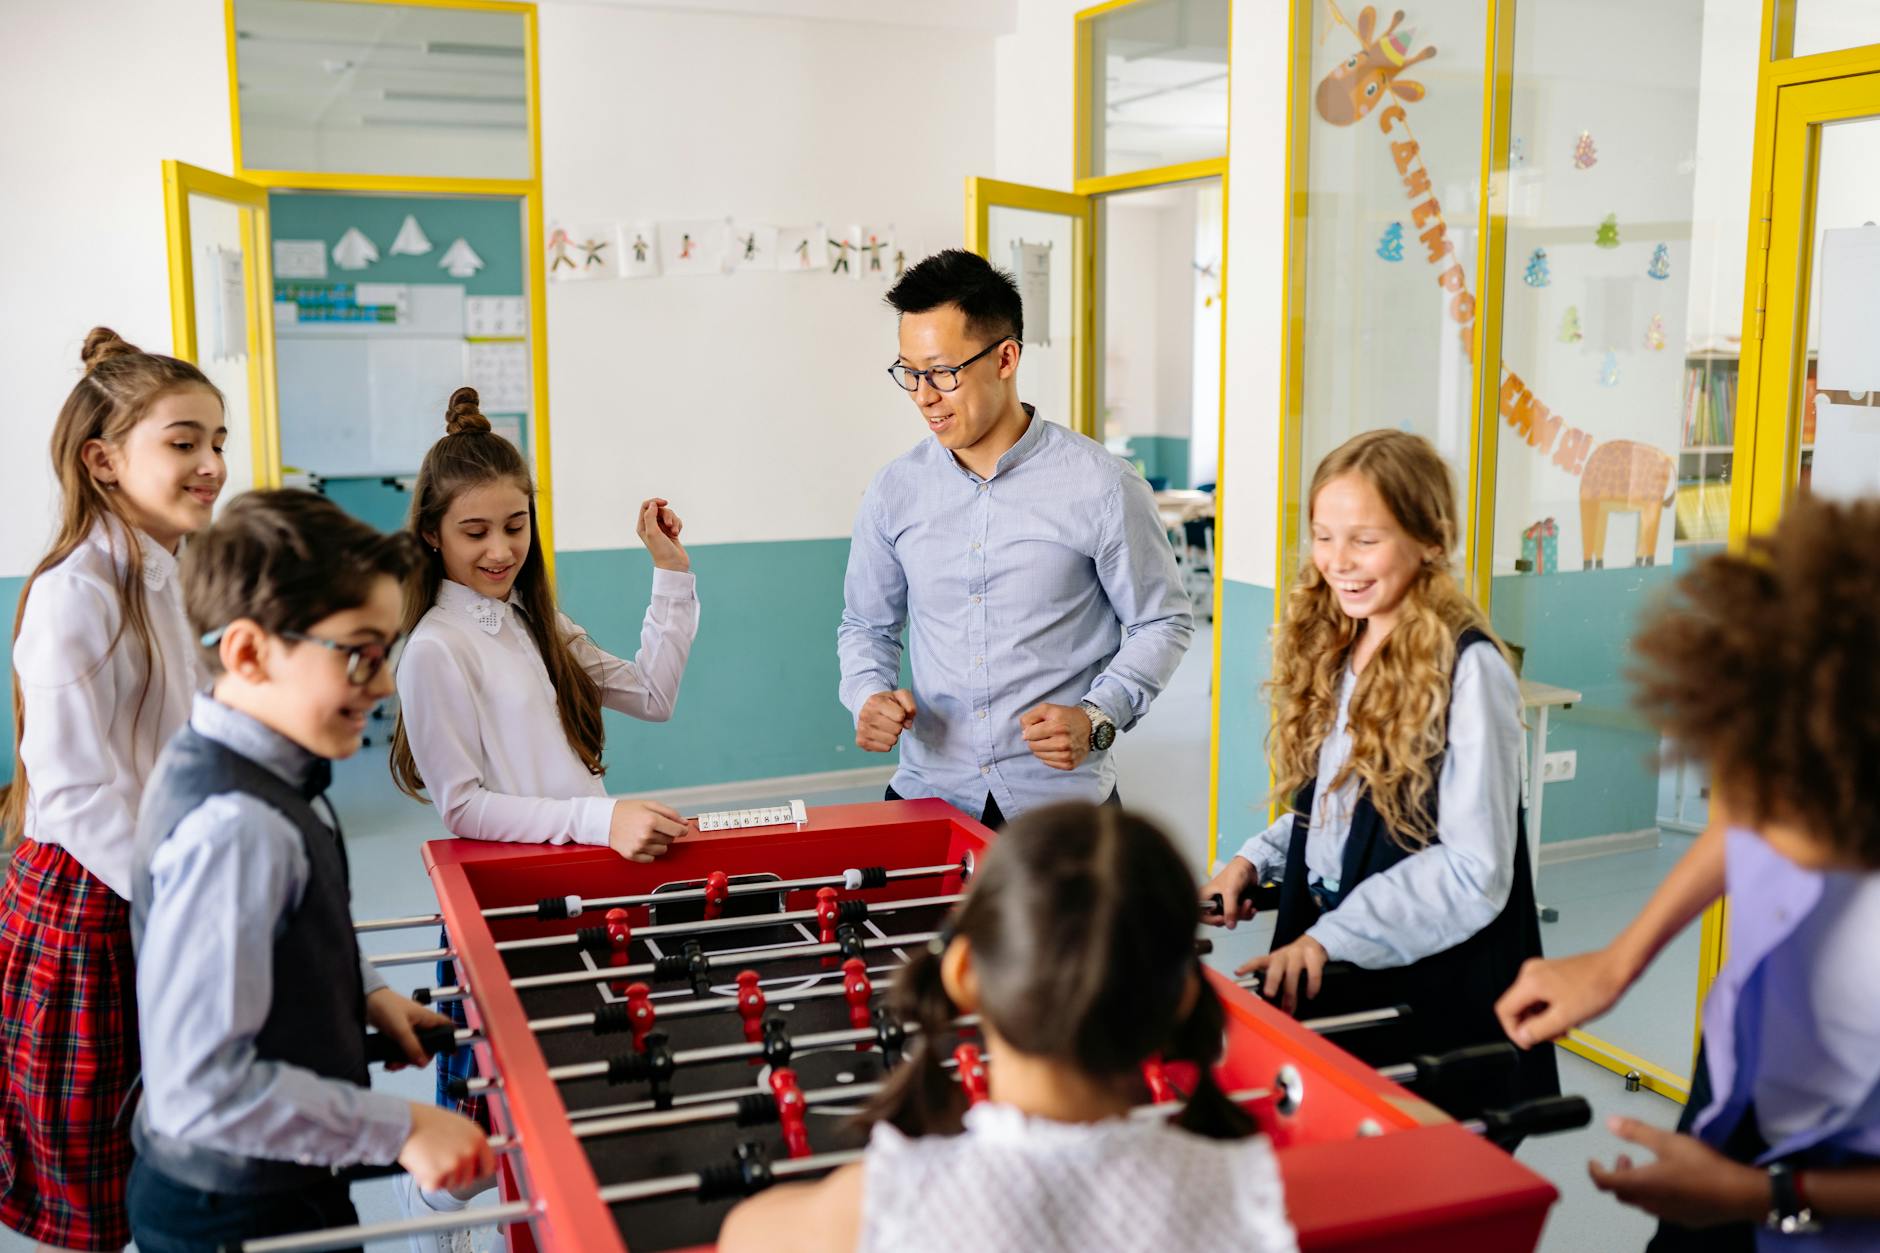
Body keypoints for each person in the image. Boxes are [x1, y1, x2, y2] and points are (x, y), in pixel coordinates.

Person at [1496, 496, 1880, 1250]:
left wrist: (1768, 1195)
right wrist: (1618, 961)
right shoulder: (1787, 762)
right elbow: (1737, 826)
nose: (1750, 820)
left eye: (1783, 805)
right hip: (1744, 1077)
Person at [125, 489, 492, 1253]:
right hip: (237, 1212)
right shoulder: (237, 827)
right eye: (359, 652)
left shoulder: (253, 760)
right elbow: (203, 1088)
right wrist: (403, 1124)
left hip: (281, 1180)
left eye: (386, 652)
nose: (384, 685)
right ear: (248, 652)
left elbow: (284, 924)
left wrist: (368, 992)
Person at [389, 386, 699, 1246]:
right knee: (474, 1136)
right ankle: (427, 1216)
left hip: (581, 888)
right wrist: (600, 821)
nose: (500, 549)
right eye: (475, 531)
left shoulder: (536, 619)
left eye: (515, 526)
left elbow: (654, 693)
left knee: (571, 1091)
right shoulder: (434, 648)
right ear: (432, 534)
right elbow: (463, 806)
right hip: (499, 910)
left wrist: (670, 571)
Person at [717, 802, 1299, 1253]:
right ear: (1183, 999)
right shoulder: (1235, 1187)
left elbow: (742, 1231)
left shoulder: (887, 1199)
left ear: (963, 974)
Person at [1201, 430, 1558, 1105]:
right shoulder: (1342, 640)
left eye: (1365, 539)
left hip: (1432, 982)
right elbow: (1337, 806)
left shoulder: (1469, 667)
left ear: (1431, 540)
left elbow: (1474, 869)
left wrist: (1332, 937)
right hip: (1338, 952)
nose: (1338, 561)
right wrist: (1255, 860)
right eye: (1323, 536)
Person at [0, 328, 227, 1253]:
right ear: (103, 460)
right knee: (91, 1191)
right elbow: (78, 796)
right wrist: (190, 893)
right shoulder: (77, 590)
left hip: (153, 885)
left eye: (218, 441)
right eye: (184, 442)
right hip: (93, 902)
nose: (212, 464)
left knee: (163, 1148)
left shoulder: (165, 573)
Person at [838, 249, 1192, 829]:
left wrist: (1097, 715)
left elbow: (1162, 621)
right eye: (910, 373)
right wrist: (867, 694)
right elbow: (866, 625)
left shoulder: (1102, 485)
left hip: (1061, 808)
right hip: (930, 795)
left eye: (942, 372)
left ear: (1006, 358)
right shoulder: (894, 490)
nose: (924, 395)